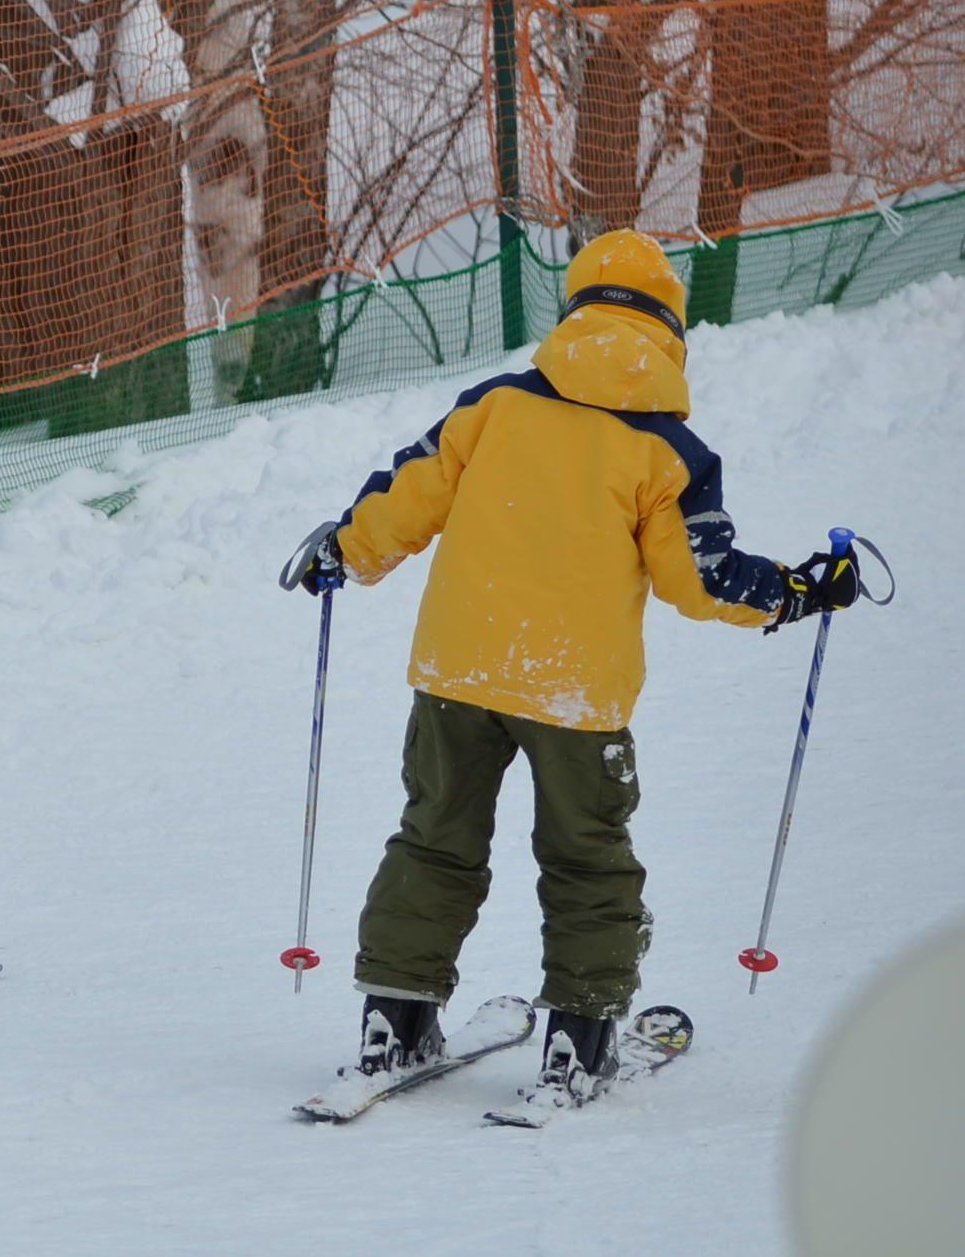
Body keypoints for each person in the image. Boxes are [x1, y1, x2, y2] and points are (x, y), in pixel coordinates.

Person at [284, 229, 866, 1105]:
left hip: (457, 672)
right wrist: (796, 593)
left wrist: (344, 551)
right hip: (574, 691)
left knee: (434, 838)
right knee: (587, 857)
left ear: (575, 311)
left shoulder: (496, 406)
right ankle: (579, 1040)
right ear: (669, 327)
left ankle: (392, 1020)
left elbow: (407, 497)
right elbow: (701, 579)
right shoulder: (668, 451)